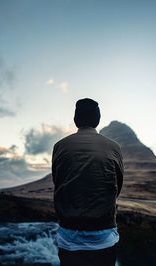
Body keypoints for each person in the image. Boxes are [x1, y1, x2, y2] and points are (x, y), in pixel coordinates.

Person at [51, 98, 124, 266]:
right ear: (97, 120)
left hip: (68, 234)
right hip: (103, 234)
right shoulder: (114, 147)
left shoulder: (59, 146)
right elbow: (116, 188)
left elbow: (58, 181)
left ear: (76, 119)